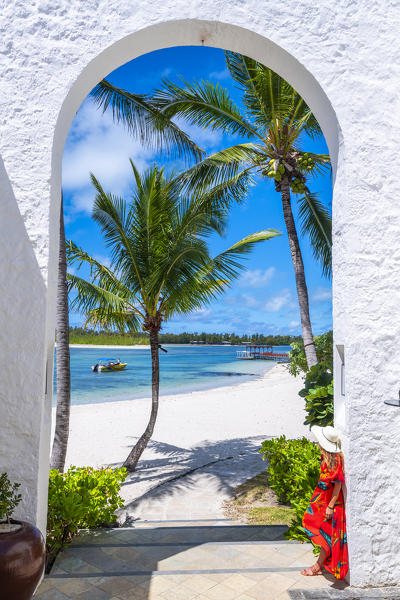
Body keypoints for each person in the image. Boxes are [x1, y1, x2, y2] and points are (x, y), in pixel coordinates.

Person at [301, 425, 348, 580]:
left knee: (327, 533)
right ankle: (318, 566)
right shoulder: (326, 457)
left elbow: (338, 485)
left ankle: (317, 566)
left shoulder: (336, 460)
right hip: (322, 501)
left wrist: (330, 506)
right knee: (311, 522)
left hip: (330, 504)